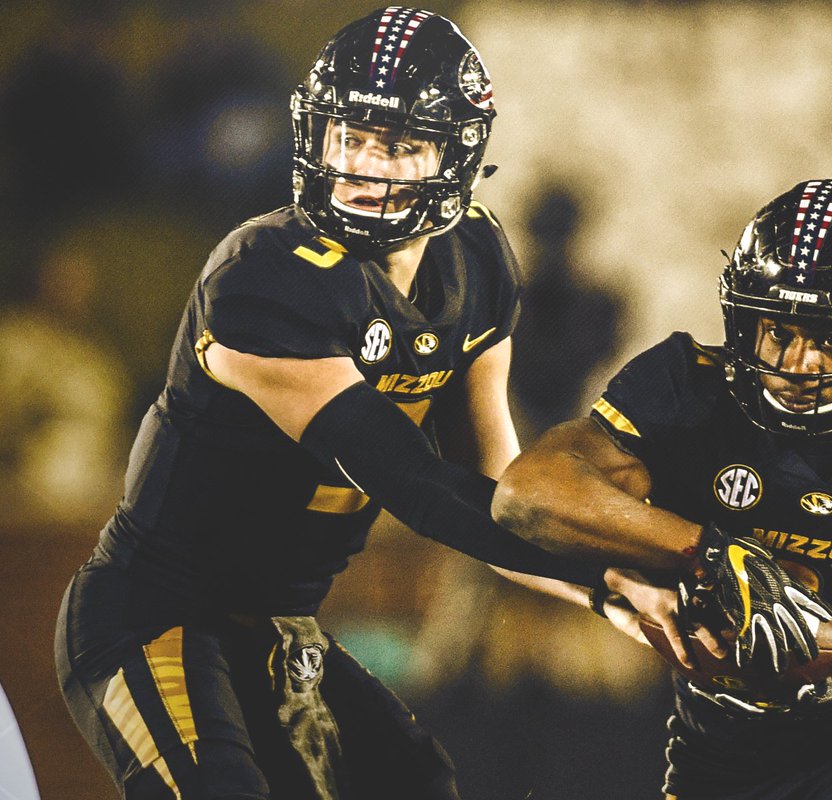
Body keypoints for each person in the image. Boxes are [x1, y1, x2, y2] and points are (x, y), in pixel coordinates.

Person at [53, 9, 670, 799]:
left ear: (457, 156)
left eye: (399, 145)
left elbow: (506, 496)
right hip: (157, 618)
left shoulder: (475, 258)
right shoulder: (264, 274)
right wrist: (622, 572)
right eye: (349, 137)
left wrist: (645, 579)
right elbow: (416, 486)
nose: (363, 167)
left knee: (420, 785)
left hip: (282, 633)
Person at [494, 179, 832, 799]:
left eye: (831, 338)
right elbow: (526, 494)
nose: (798, 363)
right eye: (778, 331)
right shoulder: (690, 388)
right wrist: (714, 550)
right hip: (718, 750)